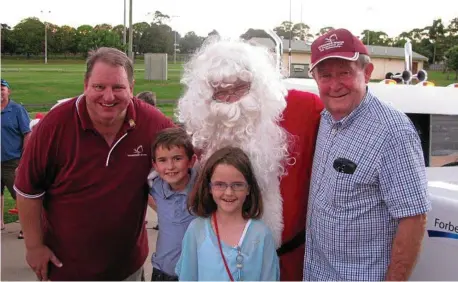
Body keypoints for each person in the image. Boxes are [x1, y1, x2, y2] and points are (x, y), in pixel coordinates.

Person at [14, 47, 175, 281]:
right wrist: (34, 247)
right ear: (86, 85)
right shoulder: (54, 125)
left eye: (118, 87)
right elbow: (28, 191)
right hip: (67, 269)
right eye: (99, 87)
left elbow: (185, 166)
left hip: (127, 266)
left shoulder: (153, 122)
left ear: (131, 88)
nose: (108, 97)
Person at [176, 37, 322, 280]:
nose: (232, 99)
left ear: (259, 84)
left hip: (293, 262)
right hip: (223, 265)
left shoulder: (304, 108)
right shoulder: (204, 133)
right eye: (221, 92)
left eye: (241, 87)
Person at [304, 28, 431, 281]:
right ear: (315, 79)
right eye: (325, 75)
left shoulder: (393, 132)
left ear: (367, 73)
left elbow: (413, 219)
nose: (335, 84)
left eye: (345, 73)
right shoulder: (325, 119)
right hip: (315, 273)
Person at [176, 146, 280, 281]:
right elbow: (187, 277)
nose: (229, 192)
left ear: (248, 188)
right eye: (220, 184)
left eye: (237, 185)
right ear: (209, 188)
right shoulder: (196, 230)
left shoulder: (262, 234)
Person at [147, 127, 197, 281]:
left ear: (191, 161)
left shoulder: (203, 190)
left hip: (194, 274)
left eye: (177, 158)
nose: (170, 167)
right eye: (162, 160)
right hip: (161, 271)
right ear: (155, 165)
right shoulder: (155, 187)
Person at [1, 78, 30, 237]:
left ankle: (26, 227)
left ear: (8, 91)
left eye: (2, 89)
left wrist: (24, 157)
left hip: (12, 160)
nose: (0, 92)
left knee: (19, 195)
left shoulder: (17, 110)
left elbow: (27, 133)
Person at [137, 90, 160, 230]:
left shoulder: (151, 121)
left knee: (148, 193)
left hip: (153, 165)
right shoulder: (155, 118)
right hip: (152, 162)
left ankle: (163, 218)